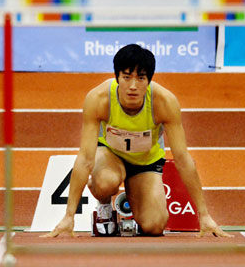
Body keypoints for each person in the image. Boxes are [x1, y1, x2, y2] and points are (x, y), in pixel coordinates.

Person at [45, 44, 231, 237]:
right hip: (110, 154)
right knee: (104, 182)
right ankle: (105, 205)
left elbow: (183, 159)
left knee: (155, 225)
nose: (133, 86)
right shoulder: (98, 99)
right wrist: (69, 215)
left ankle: (135, 202)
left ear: (149, 80)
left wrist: (204, 214)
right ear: (117, 77)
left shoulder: (165, 103)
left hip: (145, 162)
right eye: (126, 77)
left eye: (141, 78)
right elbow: (85, 158)